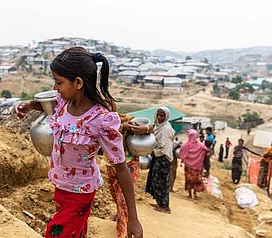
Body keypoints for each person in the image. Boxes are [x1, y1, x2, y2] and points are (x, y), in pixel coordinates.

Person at [15, 47, 142, 238]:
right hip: (61, 186)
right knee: (75, 233)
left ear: (78, 83)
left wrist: (133, 218)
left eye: (59, 82)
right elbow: (46, 105)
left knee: (57, 233)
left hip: (80, 193)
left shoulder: (101, 120)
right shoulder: (63, 103)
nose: (54, 87)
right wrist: (30, 105)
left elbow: (121, 168)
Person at [104, 113, 141, 238]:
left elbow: (147, 124)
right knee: (115, 194)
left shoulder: (127, 118)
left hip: (128, 164)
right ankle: (121, 214)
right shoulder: (99, 119)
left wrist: (145, 128)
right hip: (110, 164)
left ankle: (123, 232)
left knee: (123, 200)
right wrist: (121, 127)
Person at [144, 107, 175, 214]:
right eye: (158, 115)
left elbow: (163, 147)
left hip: (163, 158)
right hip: (158, 157)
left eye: (162, 116)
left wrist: (153, 152)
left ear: (166, 117)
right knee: (156, 180)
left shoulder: (166, 129)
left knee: (162, 182)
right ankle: (160, 202)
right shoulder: (158, 127)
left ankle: (165, 207)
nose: (160, 118)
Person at [180, 129, 210, 199]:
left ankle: (190, 194)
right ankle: (195, 193)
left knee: (189, 180)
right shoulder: (200, 145)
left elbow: (181, 152)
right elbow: (207, 150)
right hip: (197, 167)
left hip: (188, 167)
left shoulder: (185, 144)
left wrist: (184, 159)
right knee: (196, 180)